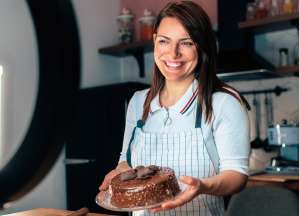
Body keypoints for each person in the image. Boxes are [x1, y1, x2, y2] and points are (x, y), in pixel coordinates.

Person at [99, 1, 250, 215]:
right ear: (154, 42)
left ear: (202, 45)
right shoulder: (138, 102)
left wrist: (203, 187)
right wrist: (121, 171)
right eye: (164, 41)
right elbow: (127, 159)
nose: (173, 53)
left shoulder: (223, 103)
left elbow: (237, 176)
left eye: (186, 43)